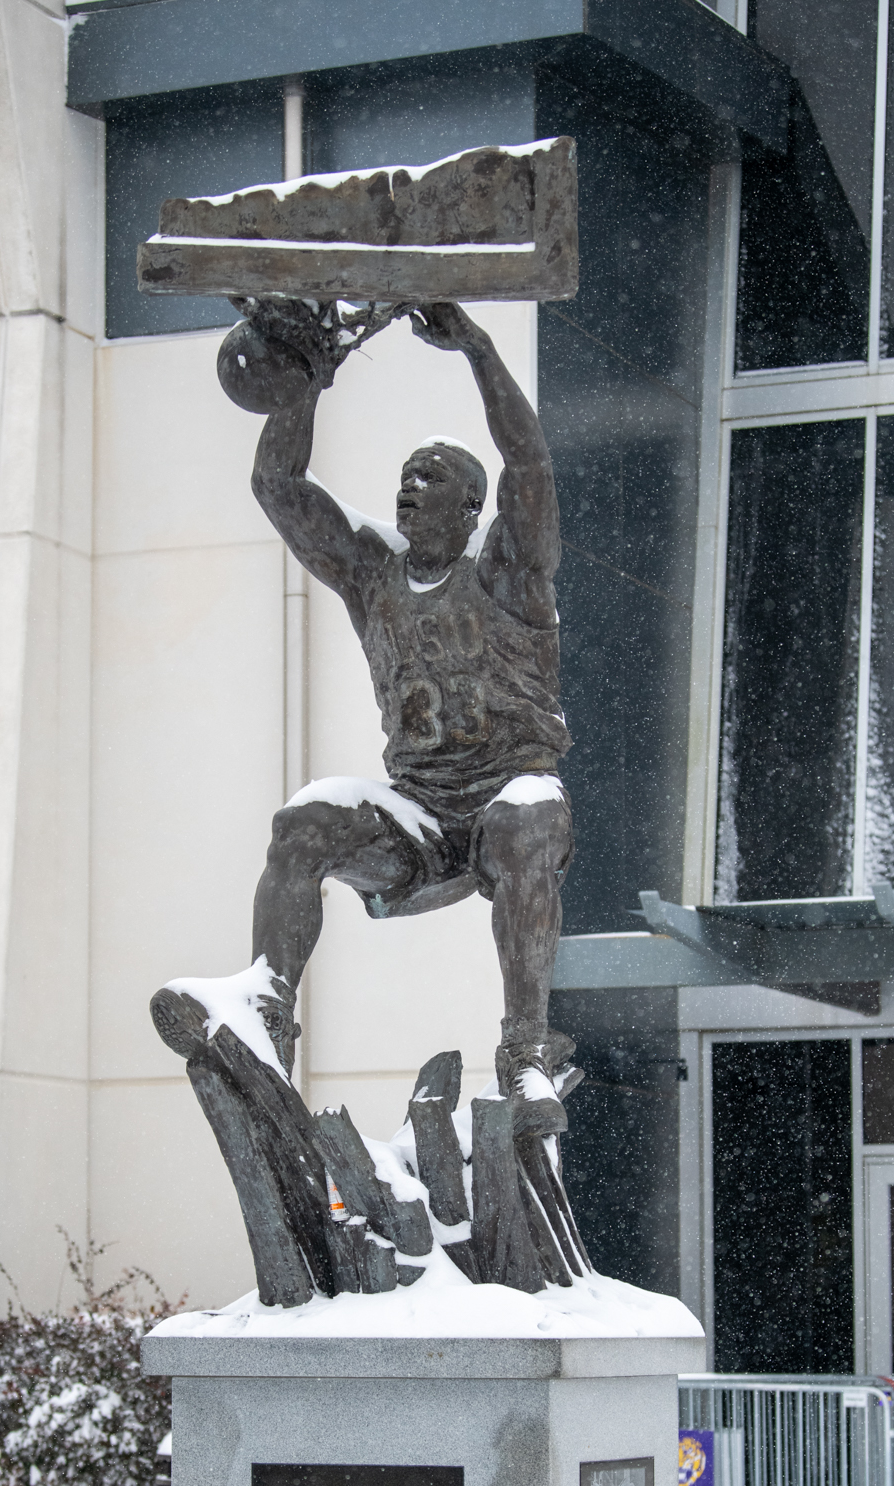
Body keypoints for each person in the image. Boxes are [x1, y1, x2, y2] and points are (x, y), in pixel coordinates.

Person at [164, 300, 576, 1133]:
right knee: (304, 819)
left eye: (431, 476)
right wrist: (306, 382)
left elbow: (528, 461)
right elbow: (276, 486)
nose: (408, 485)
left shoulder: (510, 572)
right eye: (405, 475)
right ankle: (266, 1006)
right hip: (422, 818)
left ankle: (525, 1052)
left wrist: (478, 350)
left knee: (524, 814)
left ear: (470, 512)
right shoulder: (373, 577)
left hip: (509, 799)